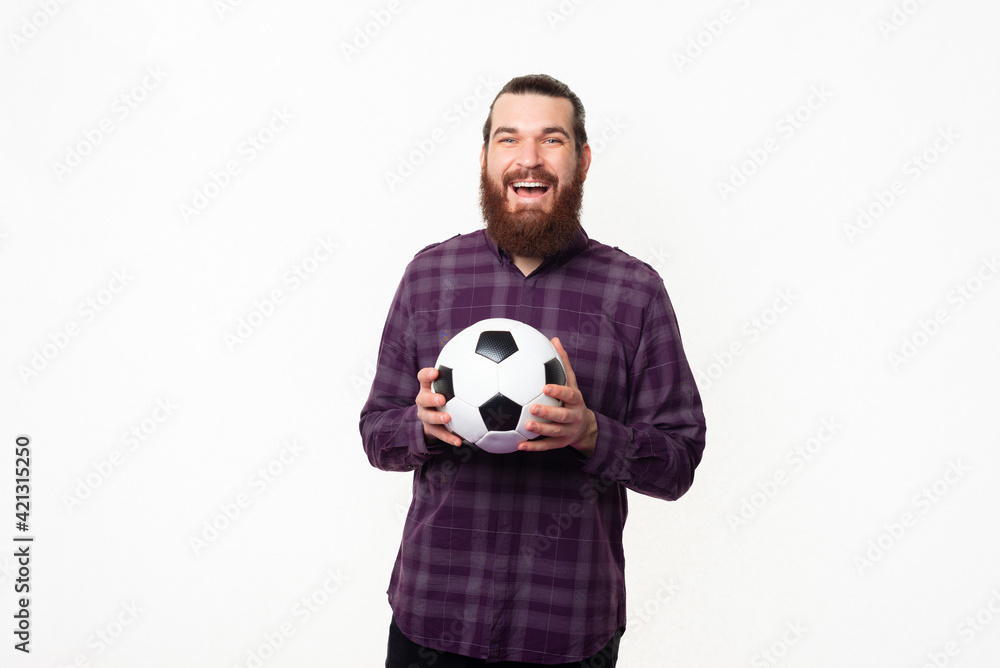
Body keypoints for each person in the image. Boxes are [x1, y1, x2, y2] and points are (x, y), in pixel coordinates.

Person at [360, 74, 706, 667]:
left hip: (568, 630)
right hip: (433, 621)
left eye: (551, 140)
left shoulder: (634, 291)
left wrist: (592, 433)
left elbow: (678, 463)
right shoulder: (431, 275)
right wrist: (420, 427)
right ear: (485, 159)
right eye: (508, 139)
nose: (529, 159)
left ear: (582, 160)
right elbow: (375, 434)